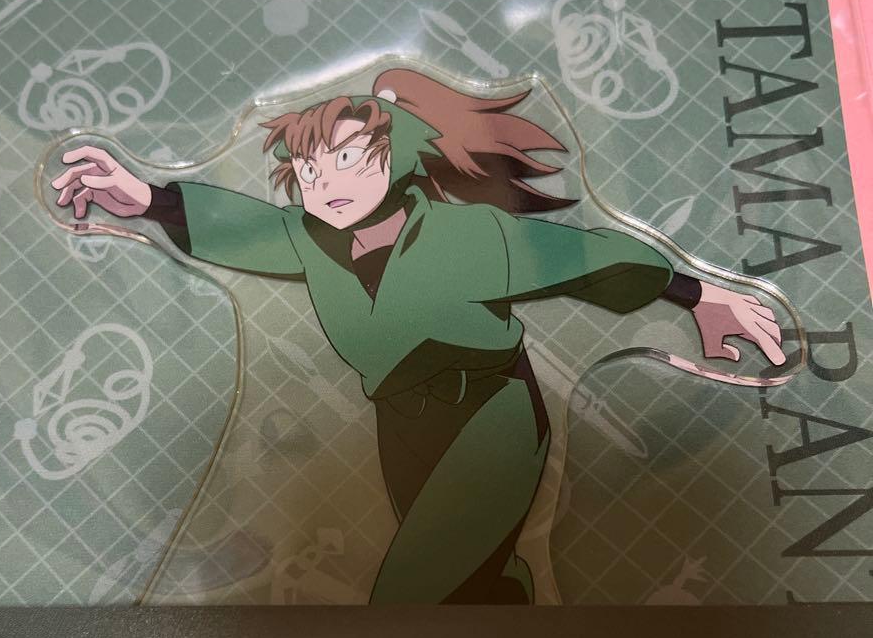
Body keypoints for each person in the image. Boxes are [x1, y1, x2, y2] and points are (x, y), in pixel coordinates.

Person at [52, 69, 784, 605]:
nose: (325, 182)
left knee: (410, 591)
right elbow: (242, 228)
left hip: (490, 412)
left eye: (347, 158)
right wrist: (146, 198)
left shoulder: (469, 235)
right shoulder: (308, 242)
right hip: (401, 424)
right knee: (478, 582)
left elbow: (577, 257)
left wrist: (698, 293)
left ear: (395, 156)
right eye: (308, 168)